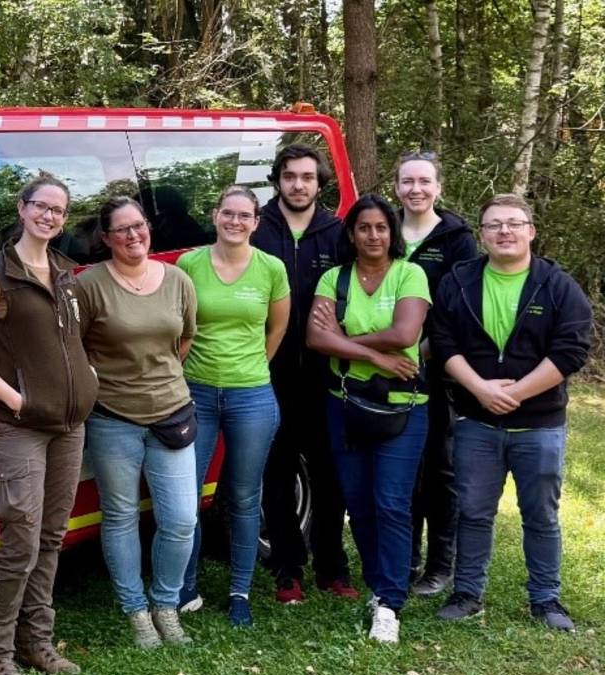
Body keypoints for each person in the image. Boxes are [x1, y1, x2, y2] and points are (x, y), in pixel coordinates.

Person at [0, 175, 97, 675]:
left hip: (68, 425)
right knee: (21, 538)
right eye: (42, 206)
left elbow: (74, 343)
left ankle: (36, 641)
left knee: (52, 537)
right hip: (20, 426)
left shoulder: (65, 272)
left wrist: (88, 384)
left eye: (59, 210)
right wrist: (19, 399)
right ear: (22, 209)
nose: (50, 216)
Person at [431, 194, 594, 631]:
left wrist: (517, 392)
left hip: (539, 424)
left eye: (513, 223)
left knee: (540, 514)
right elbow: (443, 342)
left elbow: (573, 349)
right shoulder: (460, 281)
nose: (504, 231)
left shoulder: (557, 286)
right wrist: (481, 389)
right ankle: (467, 594)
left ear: (531, 231)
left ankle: (546, 600)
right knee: (474, 511)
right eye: (494, 225)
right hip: (476, 421)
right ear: (481, 235)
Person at [305, 194, 431, 643]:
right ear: (352, 234)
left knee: (391, 503)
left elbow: (405, 333)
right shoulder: (333, 279)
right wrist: (375, 358)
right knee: (358, 504)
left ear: (391, 233)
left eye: (381, 227)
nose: (373, 235)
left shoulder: (409, 273)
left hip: (402, 408)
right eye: (364, 228)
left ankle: (390, 603)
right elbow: (317, 340)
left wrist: (346, 338)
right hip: (345, 404)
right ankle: (379, 588)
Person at [75, 197, 198, 649]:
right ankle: (136, 611)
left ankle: (166, 604)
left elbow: (184, 339)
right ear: (106, 238)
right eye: (121, 230)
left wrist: (155, 378)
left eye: (139, 226)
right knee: (121, 516)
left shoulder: (178, 280)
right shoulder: (89, 286)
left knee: (181, 519)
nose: (133, 235)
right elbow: (77, 347)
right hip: (112, 419)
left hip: (171, 413)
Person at [176, 186, 291, 627]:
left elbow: (278, 326)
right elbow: (181, 325)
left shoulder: (271, 268)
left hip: (252, 396)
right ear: (214, 215)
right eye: (228, 213)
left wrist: (256, 364)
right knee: (186, 496)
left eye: (245, 216)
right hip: (197, 393)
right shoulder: (190, 263)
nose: (235, 222)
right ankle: (185, 585)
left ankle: (240, 590)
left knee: (243, 497)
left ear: (256, 223)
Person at [251, 144, 358, 604]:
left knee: (330, 474)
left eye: (308, 177)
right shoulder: (256, 229)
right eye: (290, 176)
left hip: (326, 377)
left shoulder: (338, 234)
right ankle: (287, 568)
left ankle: (333, 568)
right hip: (268, 373)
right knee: (276, 473)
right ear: (277, 180)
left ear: (320, 183)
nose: (299, 184)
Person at [393, 151, 479, 597]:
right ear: (396, 187)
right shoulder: (386, 231)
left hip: (437, 368)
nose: (416, 190)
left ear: (438, 188)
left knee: (440, 470)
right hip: (388, 366)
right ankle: (404, 558)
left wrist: (423, 352)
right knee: (402, 466)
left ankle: (439, 565)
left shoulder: (457, 239)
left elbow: (459, 309)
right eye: (408, 181)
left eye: (424, 181)